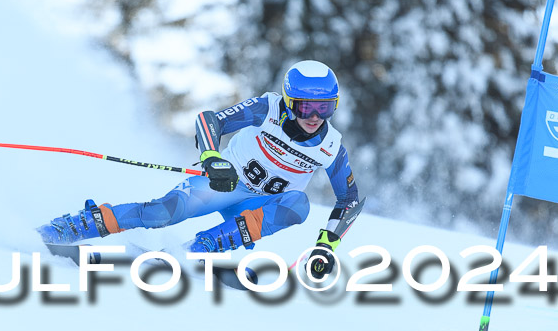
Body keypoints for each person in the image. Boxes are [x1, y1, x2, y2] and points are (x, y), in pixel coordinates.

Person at [38, 60, 360, 277]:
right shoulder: (268, 109)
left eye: (325, 107)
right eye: (305, 105)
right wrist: (211, 157)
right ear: (289, 101)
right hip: (226, 183)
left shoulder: (330, 146)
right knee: (162, 213)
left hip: (257, 207)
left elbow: (350, 200)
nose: (314, 116)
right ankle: (76, 227)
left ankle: (197, 250)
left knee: (298, 205)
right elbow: (210, 120)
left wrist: (326, 245)